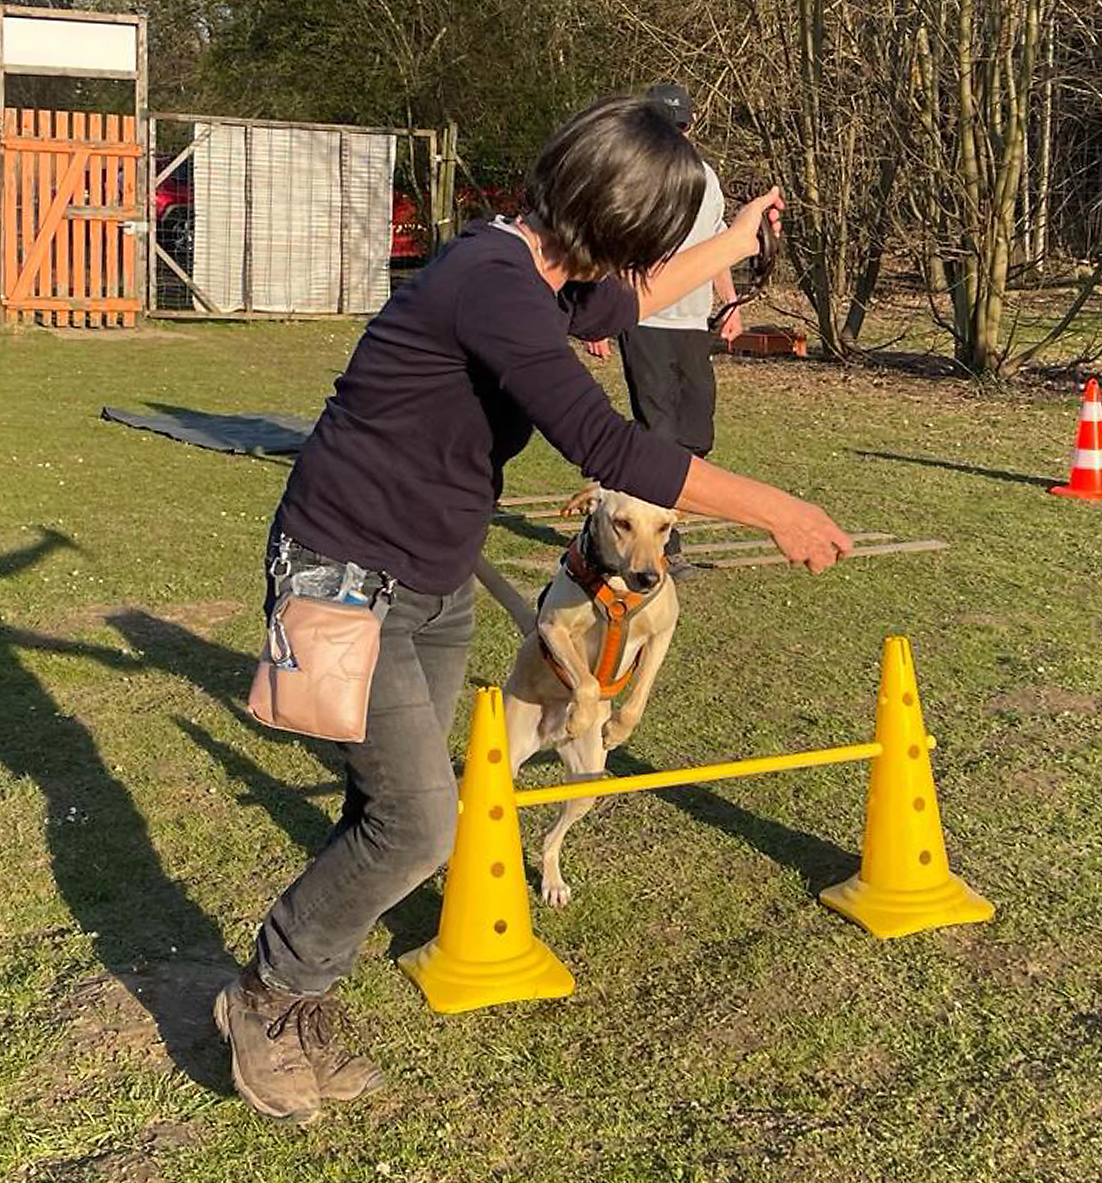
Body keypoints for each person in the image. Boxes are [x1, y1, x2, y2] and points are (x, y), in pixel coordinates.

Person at [214, 94, 850, 1125]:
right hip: (343, 576)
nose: (649, 257)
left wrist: (729, 243)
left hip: (429, 578)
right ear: (612, 221)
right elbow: (609, 447)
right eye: (653, 234)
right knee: (422, 824)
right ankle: (266, 999)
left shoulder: (537, 274)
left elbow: (623, 307)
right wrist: (775, 506)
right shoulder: (491, 285)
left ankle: (304, 998)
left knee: (391, 806)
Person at [586, 83, 742, 580]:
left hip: (693, 321)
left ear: (690, 129)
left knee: (697, 429)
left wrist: (730, 300)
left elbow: (719, 240)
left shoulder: (707, 179)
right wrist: (598, 318)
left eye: (678, 128)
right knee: (660, 432)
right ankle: (659, 551)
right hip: (642, 316)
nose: (672, 137)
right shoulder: (633, 177)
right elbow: (605, 245)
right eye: (661, 128)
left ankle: (652, 518)